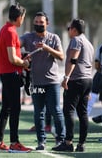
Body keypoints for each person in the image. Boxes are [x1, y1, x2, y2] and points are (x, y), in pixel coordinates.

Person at [20, 11, 65, 151]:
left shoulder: (54, 38)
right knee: (38, 112)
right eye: (36, 22)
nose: (38, 25)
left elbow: (61, 56)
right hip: (36, 83)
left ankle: (61, 139)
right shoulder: (28, 37)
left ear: (47, 24)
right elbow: (16, 44)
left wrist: (47, 48)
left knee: (56, 110)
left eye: (41, 23)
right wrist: (22, 56)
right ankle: (41, 141)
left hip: (52, 82)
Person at [0, 3, 32, 153]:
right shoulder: (10, 32)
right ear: (19, 17)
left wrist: (21, 59)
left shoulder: (4, 29)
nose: (23, 20)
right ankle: (14, 143)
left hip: (6, 74)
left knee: (6, 109)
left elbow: (12, 55)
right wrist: (25, 63)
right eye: (23, 17)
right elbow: (12, 58)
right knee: (15, 109)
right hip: (11, 75)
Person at [51, 19, 94, 152]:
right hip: (87, 79)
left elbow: (73, 60)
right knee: (83, 112)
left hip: (76, 79)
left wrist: (66, 77)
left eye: (69, 28)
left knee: (68, 110)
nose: (68, 30)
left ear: (74, 29)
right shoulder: (88, 43)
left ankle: (68, 142)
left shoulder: (76, 40)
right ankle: (81, 144)